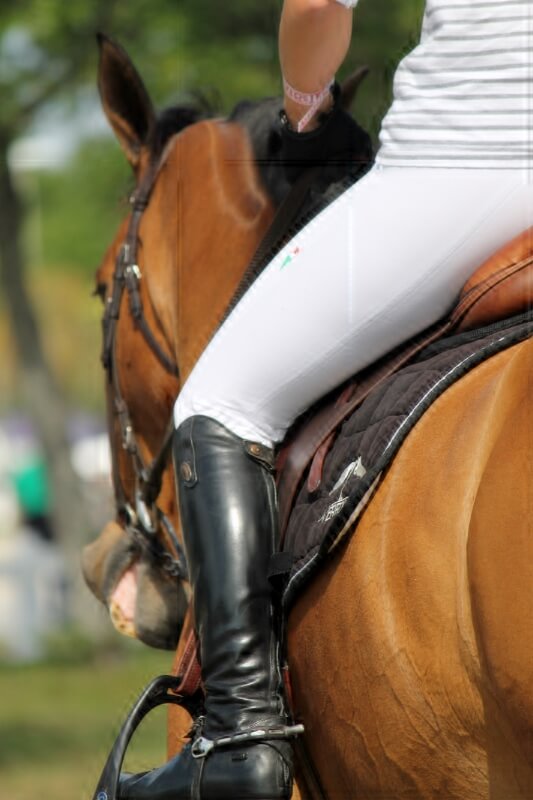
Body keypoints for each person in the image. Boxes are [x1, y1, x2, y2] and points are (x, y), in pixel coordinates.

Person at [120, 0, 533, 797]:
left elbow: (316, 7)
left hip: (475, 157)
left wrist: (305, 109)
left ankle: (241, 739)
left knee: (218, 399)